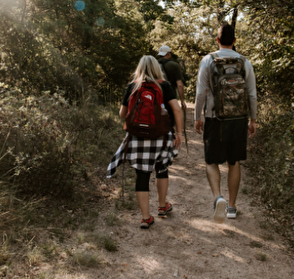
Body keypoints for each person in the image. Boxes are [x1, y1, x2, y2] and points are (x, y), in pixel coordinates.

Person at [107, 55, 184, 229]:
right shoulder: (164, 86)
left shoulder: (133, 86)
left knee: (142, 174)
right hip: (161, 135)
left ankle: (145, 217)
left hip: (137, 137)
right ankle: (162, 206)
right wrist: (178, 132)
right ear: (157, 68)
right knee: (162, 169)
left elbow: (122, 114)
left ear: (139, 68)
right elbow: (177, 110)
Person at [194, 23, 257, 223]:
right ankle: (231, 207)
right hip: (238, 119)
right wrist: (253, 119)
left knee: (211, 161)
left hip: (215, 118)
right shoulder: (244, 62)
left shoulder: (208, 60)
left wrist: (197, 117)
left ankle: (217, 197)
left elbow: (200, 93)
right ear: (235, 41)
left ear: (218, 40)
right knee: (234, 161)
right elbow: (251, 94)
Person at [157, 45, 187, 113]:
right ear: (168, 53)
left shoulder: (154, 64)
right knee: (170, 120)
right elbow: (179, 85)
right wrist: (182, 101)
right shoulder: (174, 65)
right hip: (171, 98)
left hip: (156, 97)